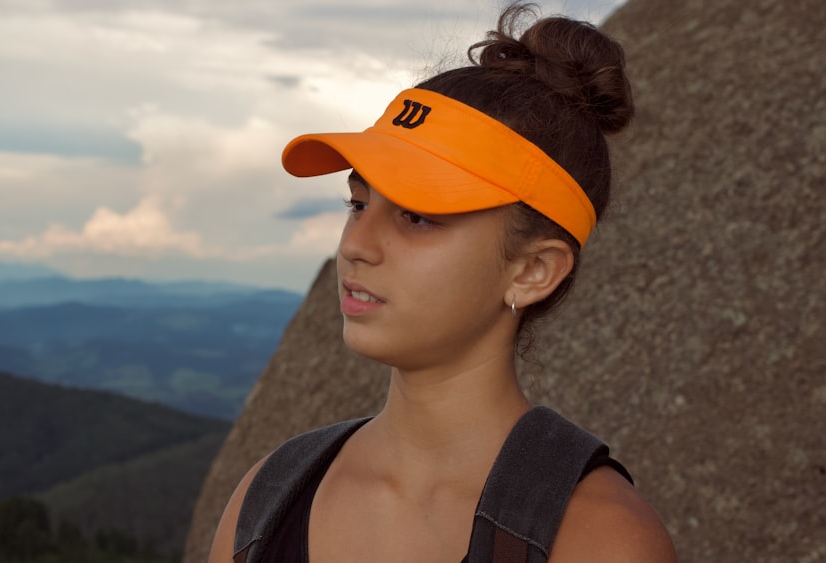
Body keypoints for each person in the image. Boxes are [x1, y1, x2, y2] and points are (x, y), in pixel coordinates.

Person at [209, 3, 678, 562]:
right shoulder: (268, 500)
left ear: (533, 271)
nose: (356, 245)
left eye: (417, 216)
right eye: (357, 203)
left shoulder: (598, 539)